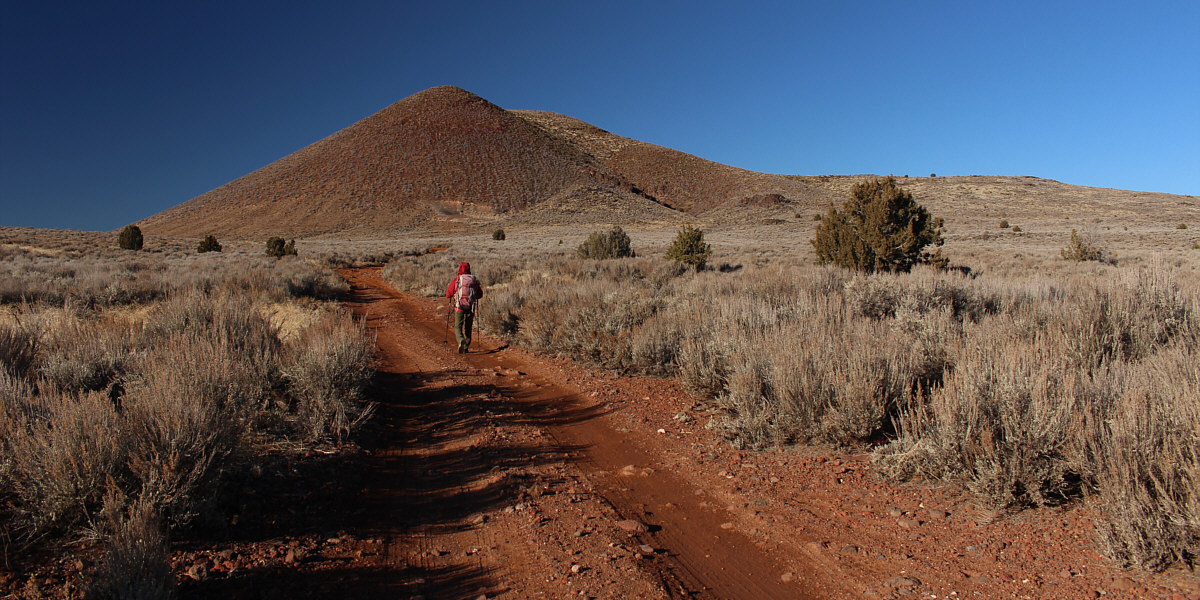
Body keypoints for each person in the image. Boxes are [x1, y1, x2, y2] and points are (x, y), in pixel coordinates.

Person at [445, 261, 484, 353]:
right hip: (471, 307)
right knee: (468, 327)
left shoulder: (457, 279)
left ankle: (460, 340)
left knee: (458, 326)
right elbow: (480, 295)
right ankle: (466, 347)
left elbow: (448, 294)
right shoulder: (474, 280)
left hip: (459, 307)